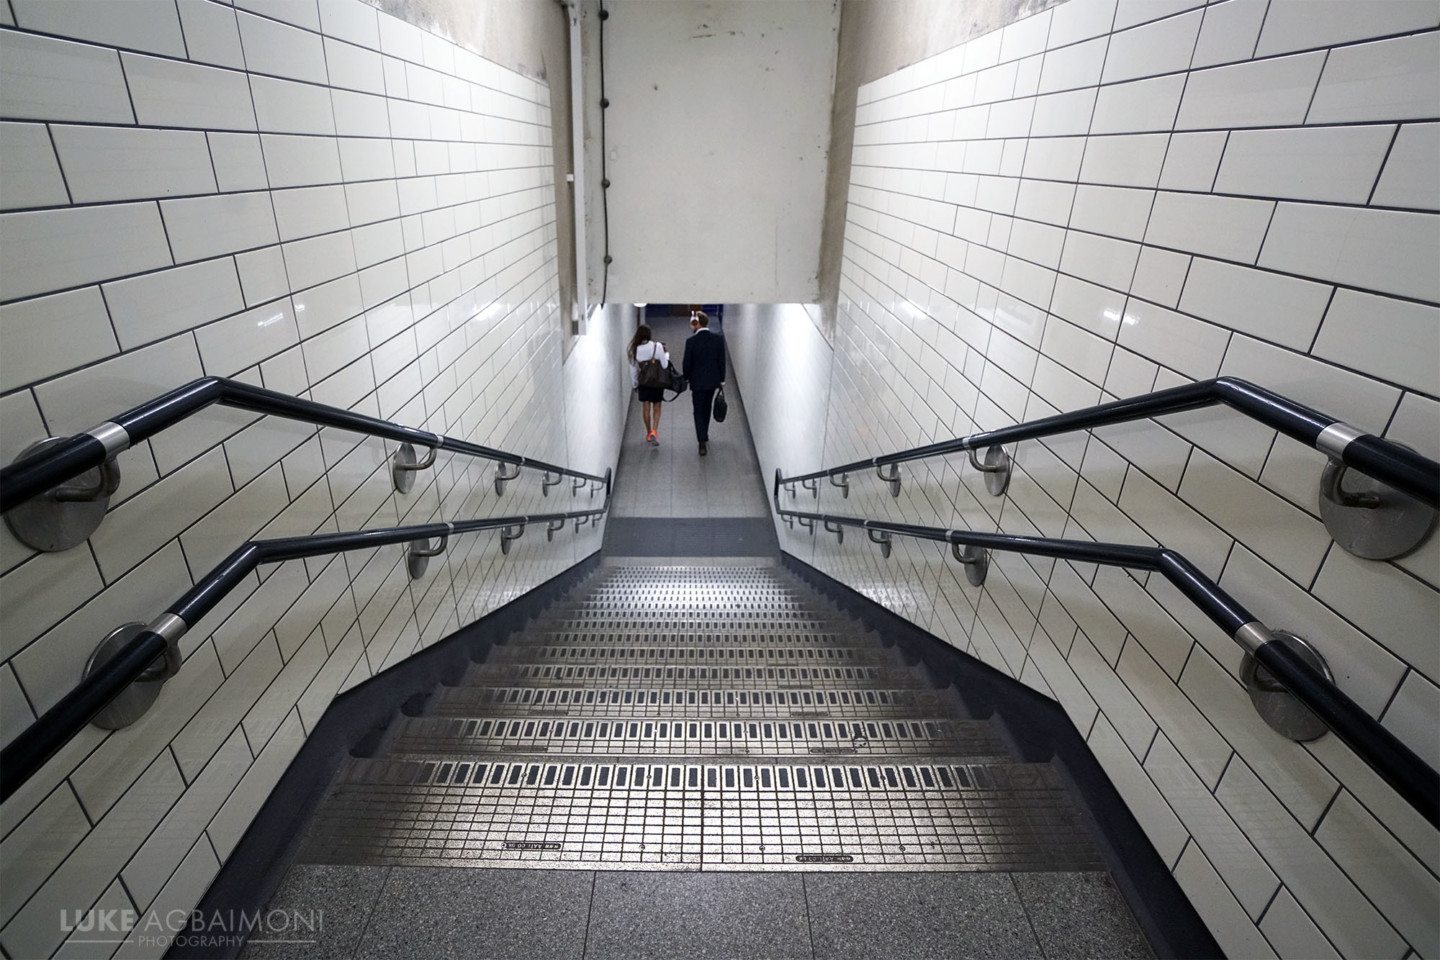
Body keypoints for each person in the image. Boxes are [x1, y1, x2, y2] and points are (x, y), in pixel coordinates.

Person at [681, 310, 725, 456]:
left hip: (697, 382)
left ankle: (701, 441)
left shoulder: (691, 342)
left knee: (698, 410)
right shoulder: (717, 340)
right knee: (707, 407)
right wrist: (722, 379)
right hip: (712, 382)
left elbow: (687, 363)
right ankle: (704, 433)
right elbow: (721, 361)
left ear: (697, 323)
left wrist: (686, 377)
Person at [628, 324, 669, 446]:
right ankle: (655, 431)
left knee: (646, 407)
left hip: (644, 382)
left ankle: (648, 432)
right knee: (657, 406)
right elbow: (665, 365)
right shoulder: (657, 346)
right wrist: (666, 355)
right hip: (657, 381)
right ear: (649, 335)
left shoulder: (634, 350)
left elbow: (633, 370)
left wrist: (635, 384)